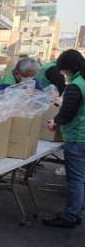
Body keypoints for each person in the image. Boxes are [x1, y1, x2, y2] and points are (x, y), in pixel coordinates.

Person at [43, 49, 85, 228]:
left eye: (63, 69)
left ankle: (70, 216)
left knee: (75, 180)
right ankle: (77, 212)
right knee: (81, 179)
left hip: (77, 137)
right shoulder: (83, 81)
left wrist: (55, 121)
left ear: (68, 67)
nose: (62, 73)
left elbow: (68, 113)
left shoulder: (76, 85)